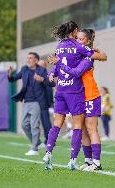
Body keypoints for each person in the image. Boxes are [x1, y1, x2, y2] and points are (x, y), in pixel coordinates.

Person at [42, 21, 106, 171]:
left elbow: (101, 57)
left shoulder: (86, 57)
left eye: (81, 39)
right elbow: (62, 66)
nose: (78, 41)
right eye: (78, 38)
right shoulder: (78, 51)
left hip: (90, 95)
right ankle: (89, 160)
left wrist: (59, 65)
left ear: (88, 41)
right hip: (79, 95)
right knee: (83, 129)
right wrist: (53, 71)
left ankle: (96, 162)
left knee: (91, 129)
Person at [8, 52, 55, 155]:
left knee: (34, 125)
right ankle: (37, 143)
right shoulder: (24, 69)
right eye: (27, 58)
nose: (28, 60)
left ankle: (34, 149)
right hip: (26, 101)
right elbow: (13, 79)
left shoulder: (41, 70)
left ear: (36, 60)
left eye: (30, 58)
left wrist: (42, 79)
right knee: (24, 125)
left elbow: (52, 83)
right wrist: (10, 74)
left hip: (37, 102)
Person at [37, 59, 54, 146]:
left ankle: (49, 140)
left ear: (44, 66)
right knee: (43, 122)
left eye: (40, 65)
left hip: (44, 102)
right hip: (38, 102)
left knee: (45, 121)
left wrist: (50, 102)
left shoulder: (45, 76)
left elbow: (49, 90)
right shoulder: (39, 75)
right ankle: (47, 139)